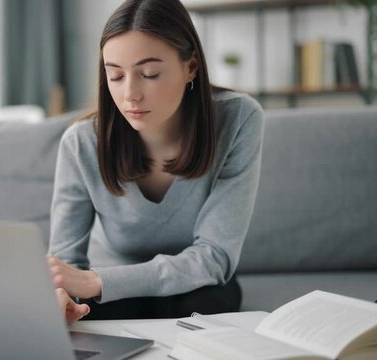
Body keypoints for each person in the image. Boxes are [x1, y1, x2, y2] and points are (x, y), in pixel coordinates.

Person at [48, 0, 263, 320]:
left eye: (149, 74)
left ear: (191, 67)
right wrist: (63, 295)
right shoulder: (81, 143)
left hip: (196, 285)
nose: (130, 94)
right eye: (116, 76)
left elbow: (215, 257)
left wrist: (98, 281)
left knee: (207, 302)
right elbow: (65, 263)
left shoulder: (238, 120)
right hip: (108, 287)